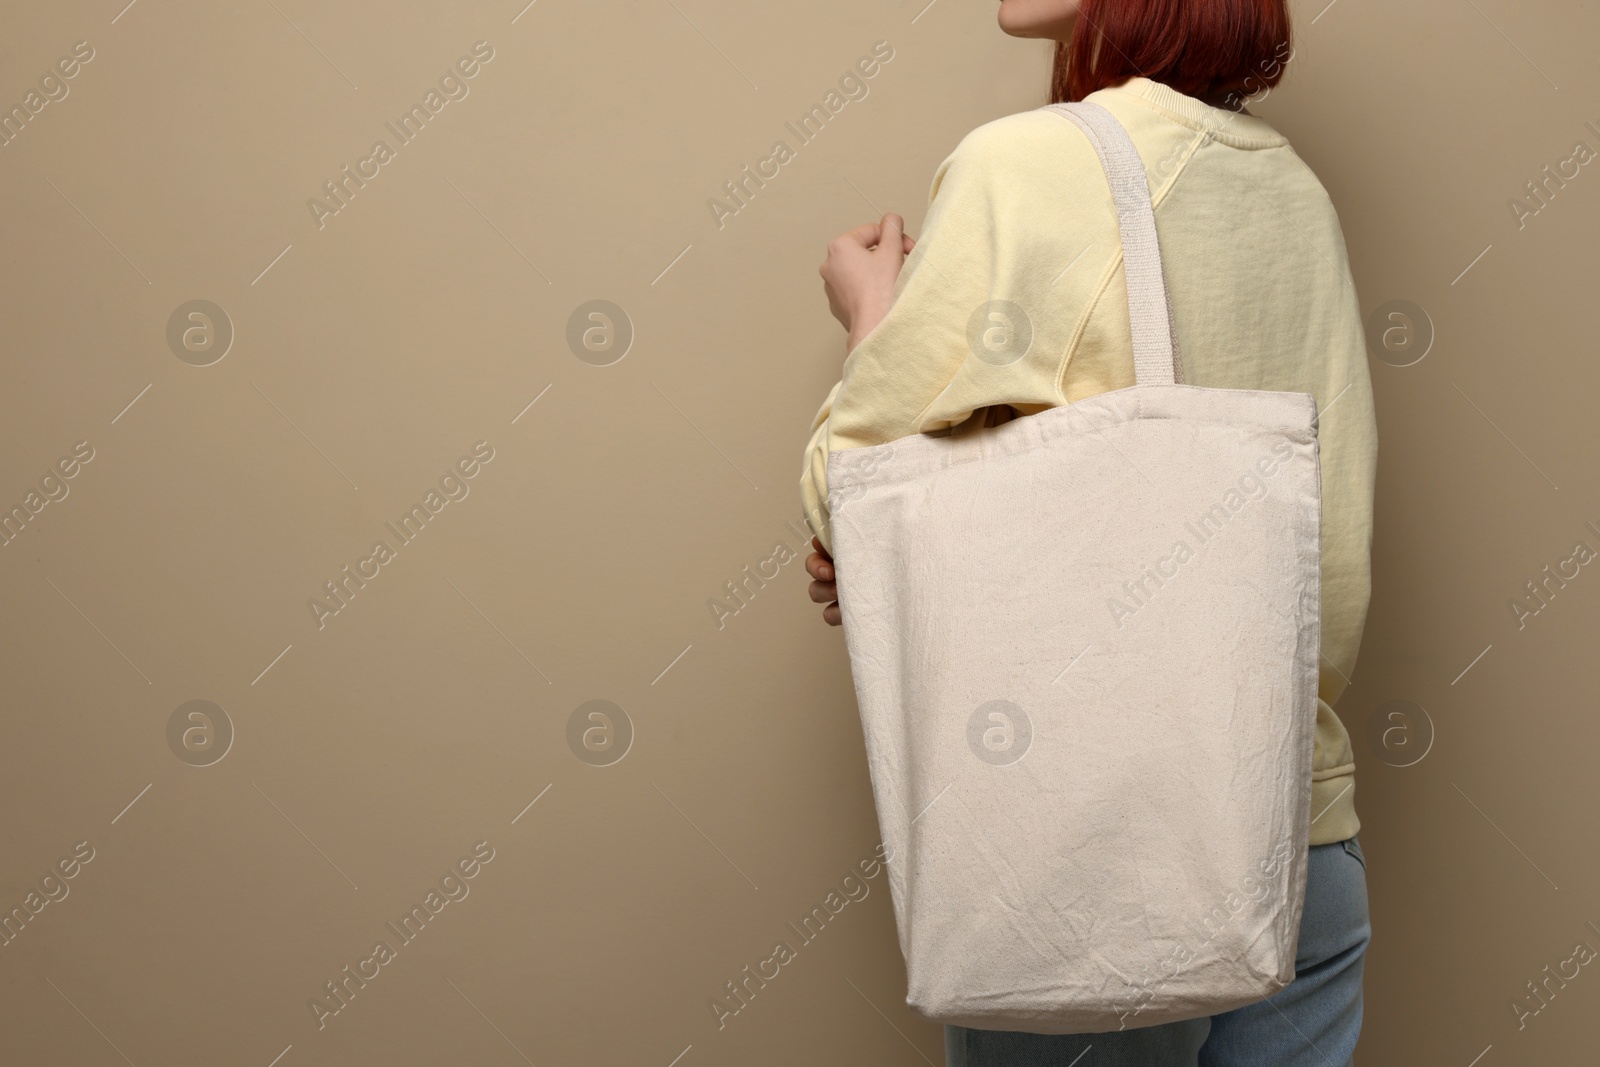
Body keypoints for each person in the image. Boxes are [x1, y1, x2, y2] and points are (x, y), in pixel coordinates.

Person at [797, 1, 1377, 1064]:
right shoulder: (1292, 188)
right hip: (1304, 851)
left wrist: (869, 317)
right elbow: (1321, 568)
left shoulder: (1025, 167)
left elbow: (858, 493)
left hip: (1096, 873)